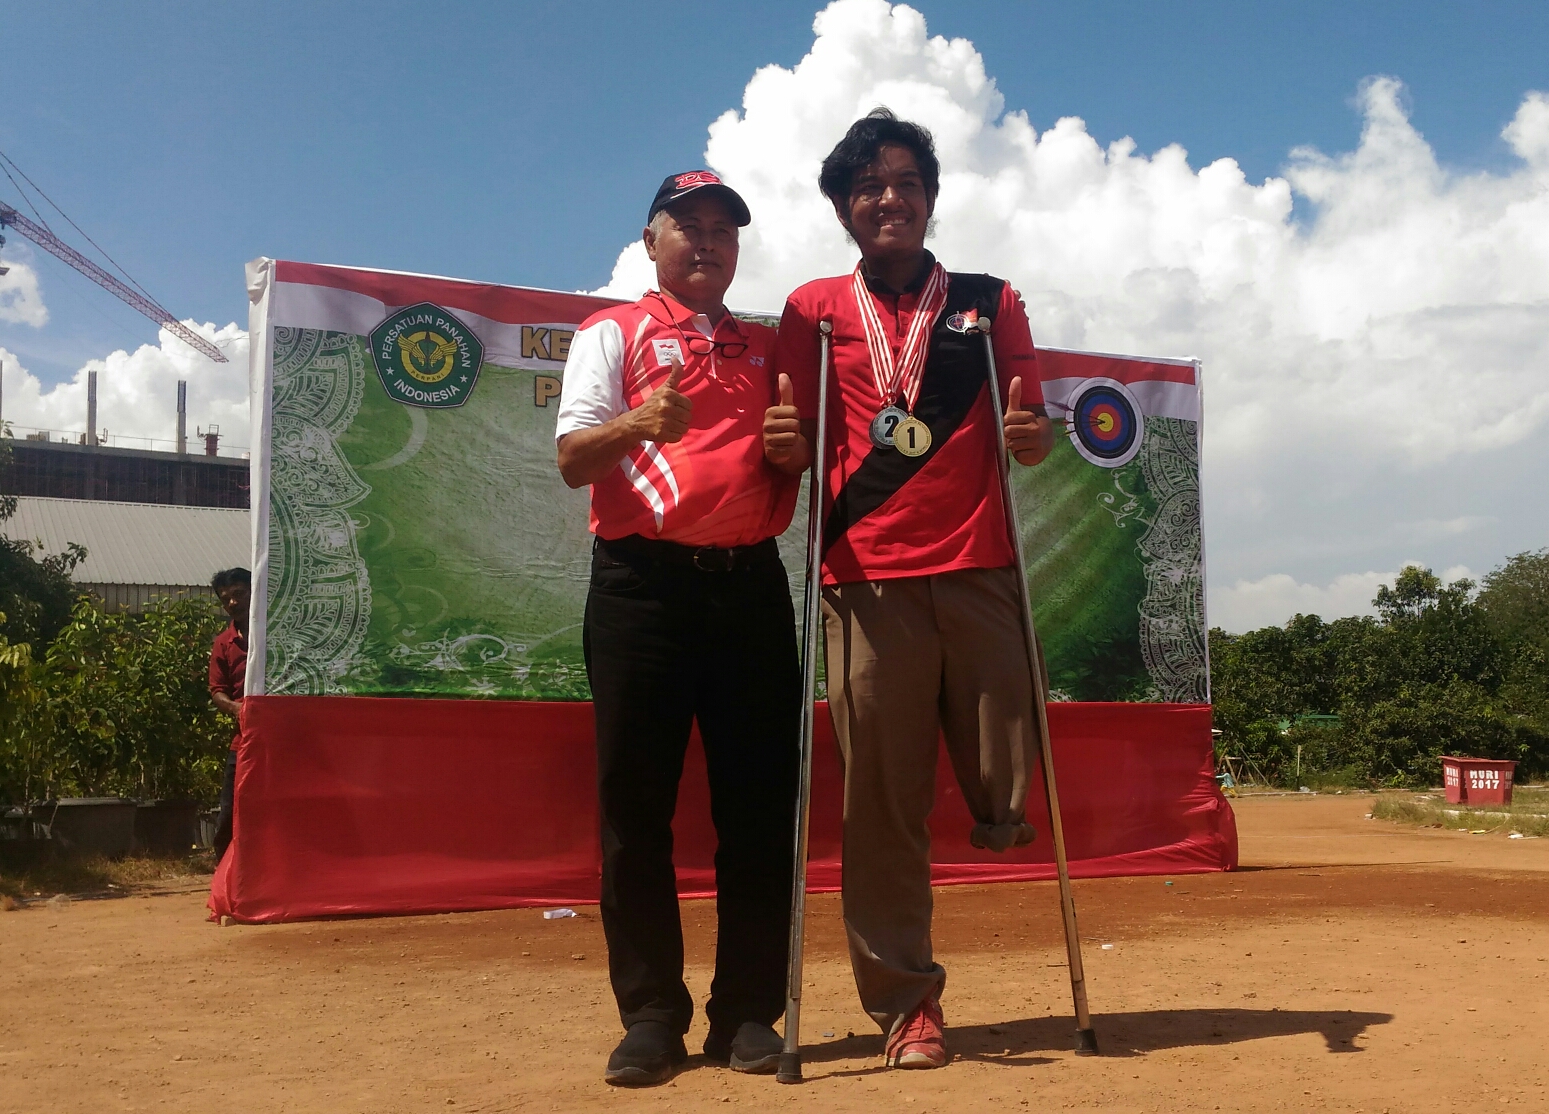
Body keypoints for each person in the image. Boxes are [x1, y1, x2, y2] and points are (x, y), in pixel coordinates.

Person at [765, 109, 1056, 1070]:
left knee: (1005, 776)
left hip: (976, 569)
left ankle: (997, 818)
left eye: (904, 182)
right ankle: (907, 1006)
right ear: (844, 207)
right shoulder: (811, 310)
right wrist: (782, 450)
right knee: (880, 809)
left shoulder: (989, 300)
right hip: (866, 583)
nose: (887, 199)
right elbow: (789, 440)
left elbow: (1029, 414)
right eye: (867, 187)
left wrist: (1031, 436)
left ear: (930, 197)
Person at [556, 170, 809, 1087]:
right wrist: (637, 421)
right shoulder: (609, 332)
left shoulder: (773, 347)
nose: (707, 242)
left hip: (749, 590)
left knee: (757, 811)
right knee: (634, 811)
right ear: (651, 241)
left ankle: (746, 1013)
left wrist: (798, 450)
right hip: (640, 591)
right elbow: (572, 462)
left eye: (722, 230)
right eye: (687, 227)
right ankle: (652, 1016)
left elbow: (810, 450)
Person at [207, 567, 251, 863]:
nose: (232, 603)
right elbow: (216, 690)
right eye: (226, 599)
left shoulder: (279, 634)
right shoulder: (224, 643)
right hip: (244, 740)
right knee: (229, 814)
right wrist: (236, 708)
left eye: (238, 594)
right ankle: (226, 881)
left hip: (287, 741)